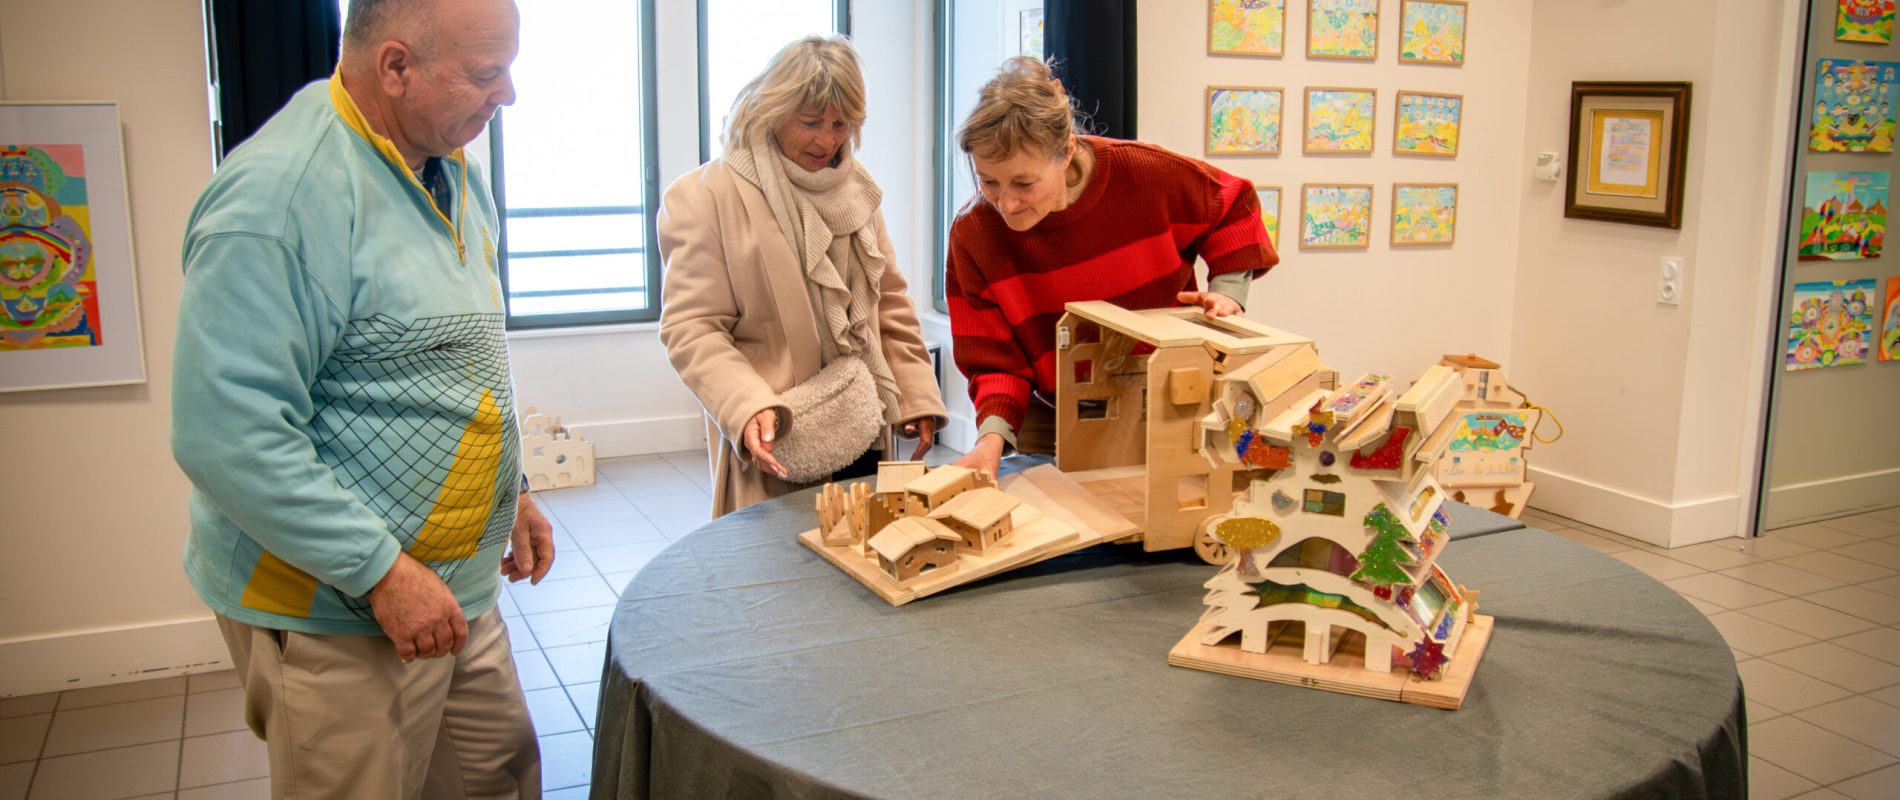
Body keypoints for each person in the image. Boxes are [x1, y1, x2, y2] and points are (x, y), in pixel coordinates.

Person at [171, 1, 551, 795]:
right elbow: (226, 433)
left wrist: (507, 492)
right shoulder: (279, 198)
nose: (508, 95)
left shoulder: (449, 165)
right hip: (342, 608)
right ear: (396, 67)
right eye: (486, 74)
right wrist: (380, 572)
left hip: (456, 588)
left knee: (497, 774)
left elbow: (455, 357)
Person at [946, 57, 1279, 478]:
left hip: (1168, 398)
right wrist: (990, 441)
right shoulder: (974, 234)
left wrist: (1228, 294)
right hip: (1053, 415)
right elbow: (994, 363)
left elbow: (1233, 204)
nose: (1005, 203)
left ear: (1066, 151)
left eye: (1024, 184)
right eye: (988, 181)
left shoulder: (1147, 175)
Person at [659, 36, 947, 518]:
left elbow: (889, 302)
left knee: (870, 569)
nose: (827, 140)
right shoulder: (703, 197)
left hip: (867, 431)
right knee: (781, 581)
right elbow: (691, 328)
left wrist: (915, 394)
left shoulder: (858, 192)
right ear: (773, 109)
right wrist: (746, 405)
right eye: (810, 122)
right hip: (780, 436)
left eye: (841, 124)